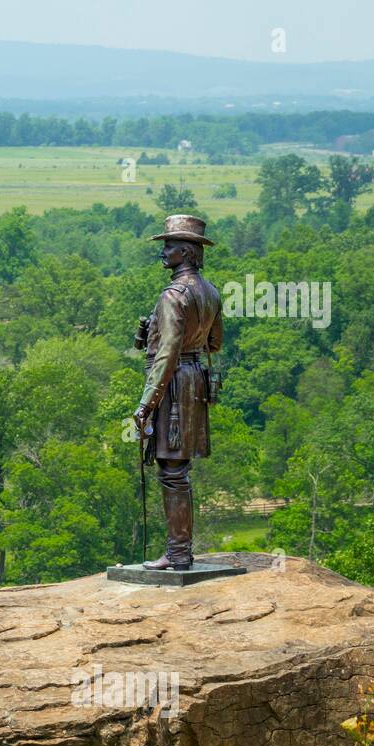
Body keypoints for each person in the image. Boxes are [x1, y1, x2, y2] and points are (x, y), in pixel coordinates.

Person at [132, 215, 223, 571]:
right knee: (178, 470)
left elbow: (167, 353)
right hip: (194, 380)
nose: (163, 252)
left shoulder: (173, 295)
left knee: (172, 471)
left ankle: (178, 553)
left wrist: (146, 402)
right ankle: (180, 551)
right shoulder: (210, 292)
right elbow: (214, 342)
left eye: (169, 246)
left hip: (172, 385)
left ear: (186, 252)